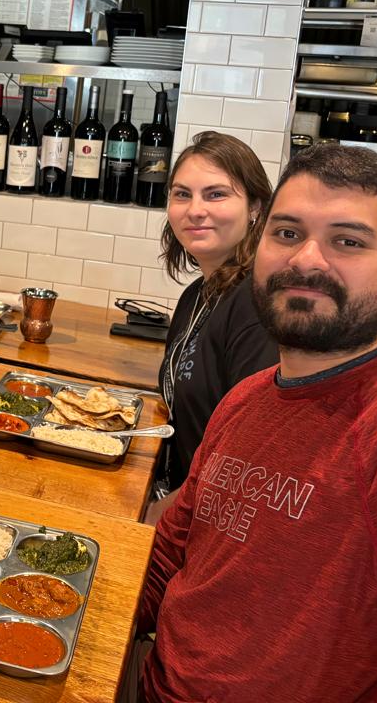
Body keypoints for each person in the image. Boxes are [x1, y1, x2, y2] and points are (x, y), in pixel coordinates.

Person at [140, 144, 377, 702]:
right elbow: (171, 550)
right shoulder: (247, 400)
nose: (307, 260)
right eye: (288, 234)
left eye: (348, 241)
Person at [150, 132, 278, 517]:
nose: (195, 209)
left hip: (213, 518)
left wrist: (163, 515)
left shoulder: (257, 303)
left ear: (255, 207)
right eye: (182, 194)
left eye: (216, 194)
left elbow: (248, 455)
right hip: (176, 495)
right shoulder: (196, 295)